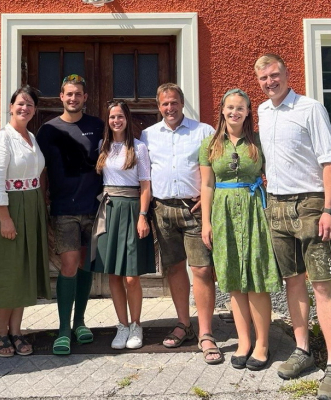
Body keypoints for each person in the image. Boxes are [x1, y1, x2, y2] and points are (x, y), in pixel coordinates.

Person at [255, 54, 331, 399]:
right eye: (263, 78)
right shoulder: (262, 112)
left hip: (310, 206)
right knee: (293, 283)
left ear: (287, 74)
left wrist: (329, 210)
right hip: (276, 206)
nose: (270, 82)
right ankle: (303, 350)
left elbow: (330, 162)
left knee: (322, 286)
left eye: (274, 75)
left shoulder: (310, 108)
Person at [199, 88, 282, 370]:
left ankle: (262, 343)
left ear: (248, 112)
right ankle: (244, 341)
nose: (234, 112)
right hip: (223, 214)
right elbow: (207, 185)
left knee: (257, 277)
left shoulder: (258, 142)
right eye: (230, 107)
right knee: (233, 279)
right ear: (222, 109)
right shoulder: (210, 145)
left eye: (241, 108)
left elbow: (274, 175)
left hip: (254, 211)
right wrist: (206, 223)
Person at [140, 83, 223, 364]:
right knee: (174, 268)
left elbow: (218, 168)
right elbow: (145, 176)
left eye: (174, 103)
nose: (170, 108)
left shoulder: (204, 132)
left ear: (182, 103)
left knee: (201, 269)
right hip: (162, 209)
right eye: (164, 104)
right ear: (158, 106)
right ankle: (184, 324)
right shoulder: (148, 136)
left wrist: (212, 197)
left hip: (195, 209)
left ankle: (207, 332)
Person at [0, 86, 51, 357]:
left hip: (31, 206)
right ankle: (0, 332)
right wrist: (5, 220)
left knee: (24, 270)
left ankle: (17, 330)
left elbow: (36, 173)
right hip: (7, 209)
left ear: (34, 109)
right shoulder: (1, 139)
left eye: (30, 104)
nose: (24, 108)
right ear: (10, 106)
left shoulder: (30, 136)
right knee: (8, 271)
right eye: (20, 103)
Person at [37, 74, 104, 355]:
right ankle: (63, 328)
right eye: (69, 94)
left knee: (86, 266)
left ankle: (80, 322)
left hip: (94, 207)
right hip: (64, 210)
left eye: (78, 94)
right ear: (61, 97)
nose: (73, 98)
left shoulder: (98, 126)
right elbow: (39, 170)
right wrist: (42, 200)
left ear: (85, 97)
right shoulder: (47, 130)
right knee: (68, 266)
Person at [85, 101, 156, 350]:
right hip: (109, 210)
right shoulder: (103, 148)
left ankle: (136, 325)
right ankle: (122, 325)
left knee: (131, 276)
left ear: (127, 119)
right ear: (108, 120)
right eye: (112, 117)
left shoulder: (139, 148)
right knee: (113, 273)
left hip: (132, 208)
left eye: (120, 116)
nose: (116, 121)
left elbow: (146, 185)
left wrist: (143, 215)